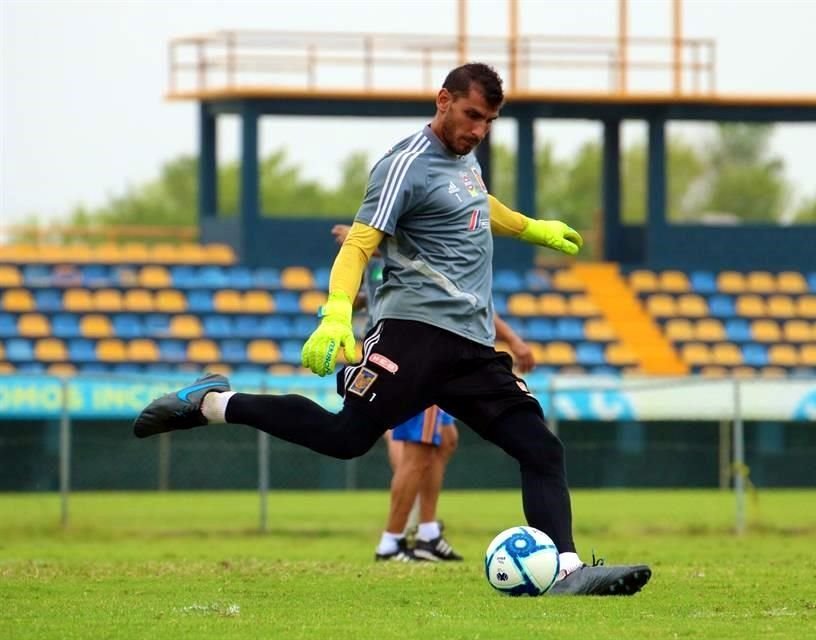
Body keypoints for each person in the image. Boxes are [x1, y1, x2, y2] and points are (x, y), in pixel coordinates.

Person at [134, 62, 652, 596]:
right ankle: (212, 403)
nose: (478, 130)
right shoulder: (403, 165)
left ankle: (566, 572)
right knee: (345, 438)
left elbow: (476, 202)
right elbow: (360, 243)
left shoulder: (465, 161)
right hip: (415, 334)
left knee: (541, 449)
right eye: (472, 115)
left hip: (473, 348)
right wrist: (336, 314)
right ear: (443, 99)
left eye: (490, 121)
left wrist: (531, 228)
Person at [331, 223, 536, 563]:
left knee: (443, 439)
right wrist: (513, 340)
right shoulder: (422, 249)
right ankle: (392, 542)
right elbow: (466, 301)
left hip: (399, 349)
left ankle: (426, 533)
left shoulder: (386, 251)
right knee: (419, 450)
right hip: (417, 352)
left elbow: (361, 295)